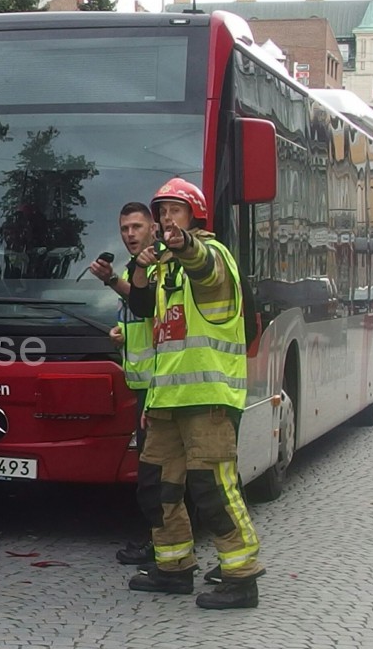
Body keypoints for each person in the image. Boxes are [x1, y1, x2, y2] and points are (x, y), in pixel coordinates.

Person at [125, 178, 264, 609]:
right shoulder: (162, 269)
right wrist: (140, 270)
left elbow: (203, 265)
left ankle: (241, 577)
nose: (166, 219)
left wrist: (183, 244)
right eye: (162, 212)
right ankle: (174, 568)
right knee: (156, 488)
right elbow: (150, 323)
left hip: (209, 398)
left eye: (175, 211)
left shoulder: (210, 254)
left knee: (211, 488)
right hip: (166, 401)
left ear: (195, 217)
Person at [86, 202, 159, 567]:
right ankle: (160, 542)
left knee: (155, 471)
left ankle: (159, 544)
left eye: (136, 227)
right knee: (153, 469)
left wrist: (111, 280)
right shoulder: (137, 267)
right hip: (144, 383)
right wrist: (123, 336)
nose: (129, 235)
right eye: (124, 229)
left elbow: (149, 308)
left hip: (160, 385)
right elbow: (141, 321)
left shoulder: (155, 266)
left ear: (153, 228)